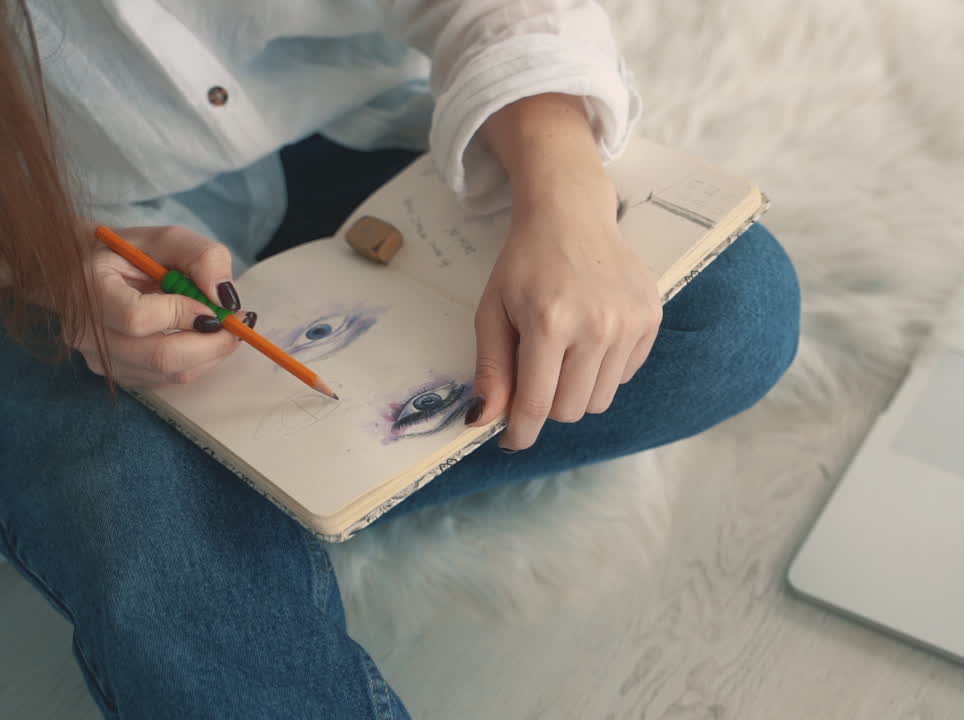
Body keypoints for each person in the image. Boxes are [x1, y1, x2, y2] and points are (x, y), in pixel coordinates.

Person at [0, 1, 801, 717]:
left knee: (732, 309)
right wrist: (51, 265)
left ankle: (230, 515)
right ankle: (204, 521)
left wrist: (568, 200)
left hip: (342, 137)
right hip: (56, 248)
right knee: (143, 523)